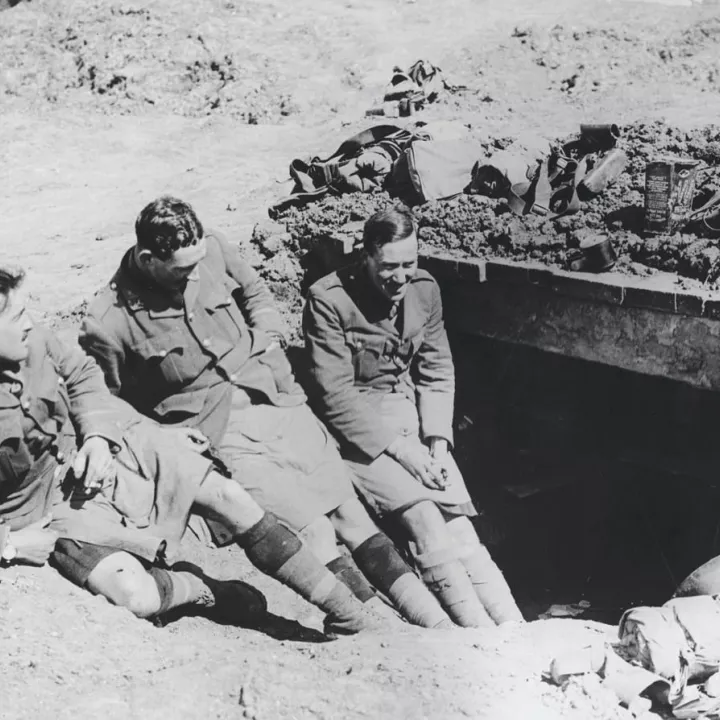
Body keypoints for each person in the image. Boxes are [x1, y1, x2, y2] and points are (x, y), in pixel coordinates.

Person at [79, 196, 450, 629]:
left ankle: (434, 624)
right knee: (313, 530)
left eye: (199, 262)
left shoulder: (211, 247)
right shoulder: (109, 321)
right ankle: (374, 626)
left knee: (351, 514)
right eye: (183, 270)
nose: (197, 273)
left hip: (276, 398)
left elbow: (257, 293)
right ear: (148, 259)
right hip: (219, 430)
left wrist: (267, 336)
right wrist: (161, 435)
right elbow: (105, 401)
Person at [0, 265, 400, 636]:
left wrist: (97, 436)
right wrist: (11, 546)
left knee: (228, 494)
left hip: (106, 443)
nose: (31, 323)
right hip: (50, 509)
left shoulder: (34, 340)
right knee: (135, 596)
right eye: (17, 317)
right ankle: (198, 587)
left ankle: (350, 615)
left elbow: (83, 376)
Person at [302, 206, 524, 627]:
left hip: (410, 421)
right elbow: (334, 395)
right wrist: (406, 453)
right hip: (358, 432)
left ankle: (514, 631)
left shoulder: (424, 290)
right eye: (389, 266)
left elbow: (437, 370)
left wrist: (437, 445)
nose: (401, 277)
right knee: (423, 518)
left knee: (460, 526)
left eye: (410, 264)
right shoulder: (327, 300)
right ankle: (473, 636)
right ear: (365, 256)